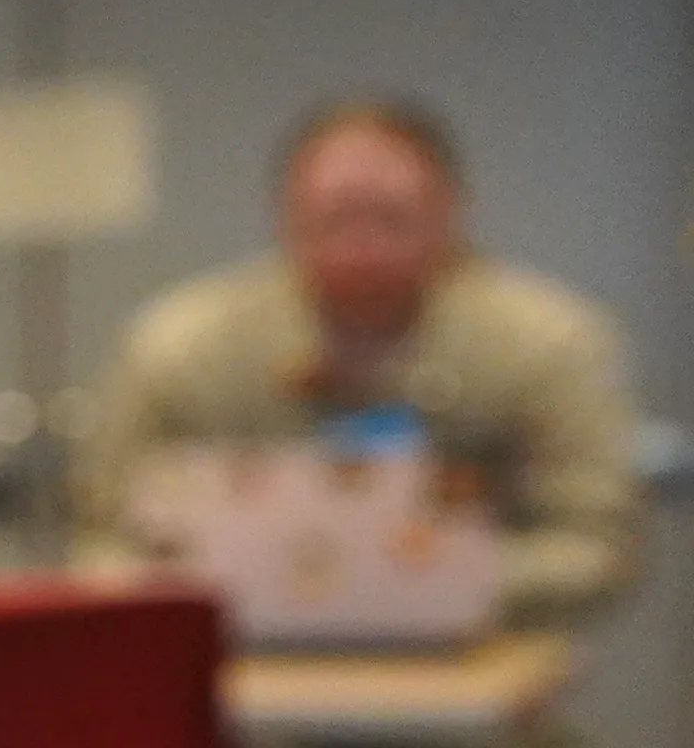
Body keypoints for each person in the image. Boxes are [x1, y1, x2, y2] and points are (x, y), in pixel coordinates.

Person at [84, 96, 643, 634]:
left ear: (453, 213)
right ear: (284, 217)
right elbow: (104, 538)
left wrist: (420, 581)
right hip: (239, 687)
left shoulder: (544, 346)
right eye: (334, 219)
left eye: (392, 218)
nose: (362, 246)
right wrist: (229, 583)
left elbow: (598, 547)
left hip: (479, 691)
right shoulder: (185, 348)